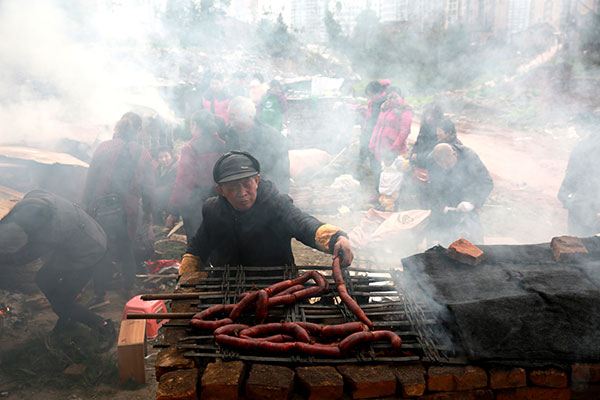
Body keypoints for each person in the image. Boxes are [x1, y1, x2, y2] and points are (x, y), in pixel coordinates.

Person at [180, 151, 354, 272]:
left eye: (247, 184)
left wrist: (335, 237)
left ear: (256, 180)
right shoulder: (212, 210)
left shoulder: (276, 204)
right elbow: (198, 248)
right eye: (233, 187)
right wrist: (186, 273)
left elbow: (303, 224)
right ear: (221, 190)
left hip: (277, 288)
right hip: (228, 288)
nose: (242, 193)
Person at [0, 190, 116, 352]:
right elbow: (13, 214)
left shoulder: (52, 231)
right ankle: (67, 320)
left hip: (88, 252)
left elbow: (24, 257)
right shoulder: (38, 197)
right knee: (43, 278)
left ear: (40, 225)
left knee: (62, 302)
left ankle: (103, 325)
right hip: (79, 238)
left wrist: (4, 258)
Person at [82, 112, 155, 303]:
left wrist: (85, 202)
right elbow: (149, 188)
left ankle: (100, 294)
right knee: (126, 248)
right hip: (128, 211)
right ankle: (128, 289)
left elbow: (91, 178)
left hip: (100, 207)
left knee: (101, 248)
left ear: (118, 128)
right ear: (138, 130)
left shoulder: (103, 147)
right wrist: (148, 212)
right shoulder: (144, 153)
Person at [166, 110, 226, 242]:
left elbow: (184, 182)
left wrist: (174, 211)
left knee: (198, 241)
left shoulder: (191, 148)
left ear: (195, 124)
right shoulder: (223, 144)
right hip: (221, 198)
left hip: (196, 203)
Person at [425, 143, 493, 246]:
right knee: (436, 242)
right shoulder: (431, 159)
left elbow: (486, 182)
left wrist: (472, 202)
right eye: (441, 165)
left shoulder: (469, 157)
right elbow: (434, 187)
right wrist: (440, 205)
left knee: (473, 243)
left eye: (448, 164)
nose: (445, 167)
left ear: (454, 154)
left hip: (467, 198)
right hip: (445, 202)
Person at [222, 96, 290, 194]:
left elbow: (282, 173)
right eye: (230, 118)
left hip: (266, 194)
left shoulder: (272, 136)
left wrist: (280, 197)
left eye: (235, 118)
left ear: (250, 116)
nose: (232, 124)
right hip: (239, 195)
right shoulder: (230, 135)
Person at [558, 112, 600, 236]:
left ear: (584, 126)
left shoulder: (584, 147)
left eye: (577, 125)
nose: (575, 128)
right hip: (594, 200)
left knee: (580, 239)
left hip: (584, 200)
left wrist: (563, 194)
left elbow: (573, 173)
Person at [368, 86, 412, 188]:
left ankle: (391, 201)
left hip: (394, 150)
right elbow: (378, 126)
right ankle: (379, 194)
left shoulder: (405, 110)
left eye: (395, 97)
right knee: (378, 172)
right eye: (390, 97)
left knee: (392, 177)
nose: (392, 100)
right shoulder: (385, 108)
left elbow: (404, 132)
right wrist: (372, 144)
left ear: (401, 96)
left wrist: (393, 150)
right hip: (380, 147)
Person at [360, 81, 387, 165]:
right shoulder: (373, 102)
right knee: (365, 149)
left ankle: (376, 174)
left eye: (371, 95)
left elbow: (377, 121)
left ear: (378, 93)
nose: (370, 98)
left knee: (374, 156)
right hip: (369, 132)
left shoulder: (383, 103)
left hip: (376, 134)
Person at [411, 102, 444, 168]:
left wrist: (418, 157)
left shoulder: (440, 131)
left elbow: (435, 152)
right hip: (420, 163)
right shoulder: (424, 128)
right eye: (427, 115)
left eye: (432, 116)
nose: (428, 118)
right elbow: (417, 144)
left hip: (433, 166)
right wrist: (412, 157)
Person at [153, 146, 178, 224]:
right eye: (160, 157)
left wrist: (154, 192)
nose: (163, 159)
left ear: (171, 157)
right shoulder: (157, 169)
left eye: (166, 156)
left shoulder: (176, 168)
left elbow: (172, 186)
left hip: (173, 201)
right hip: (159, 199)